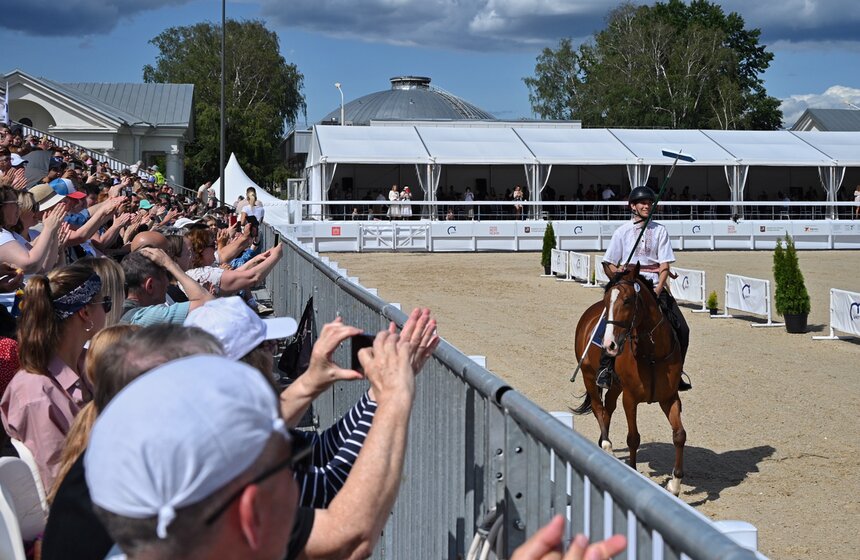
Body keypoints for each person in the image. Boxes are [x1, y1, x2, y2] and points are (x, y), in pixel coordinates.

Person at [0, 262, 110, 489]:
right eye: (104, 303)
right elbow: (61, 484)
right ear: (85, 312)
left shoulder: (89, 364)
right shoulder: (35, 395)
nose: (107, 310)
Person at [600, 186, 692, 392]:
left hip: (653, 286)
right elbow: (608, 263)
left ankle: (677, 372)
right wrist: (618, 276)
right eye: (642, 203)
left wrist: (658, 290)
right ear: (632, 206)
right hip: (629, 286)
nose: (647, 206)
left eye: (650, 203)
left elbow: (664, 265)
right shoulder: (622, 232)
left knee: (683, 329)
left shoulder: (660, 230)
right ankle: (605, 368)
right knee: (608, 323)